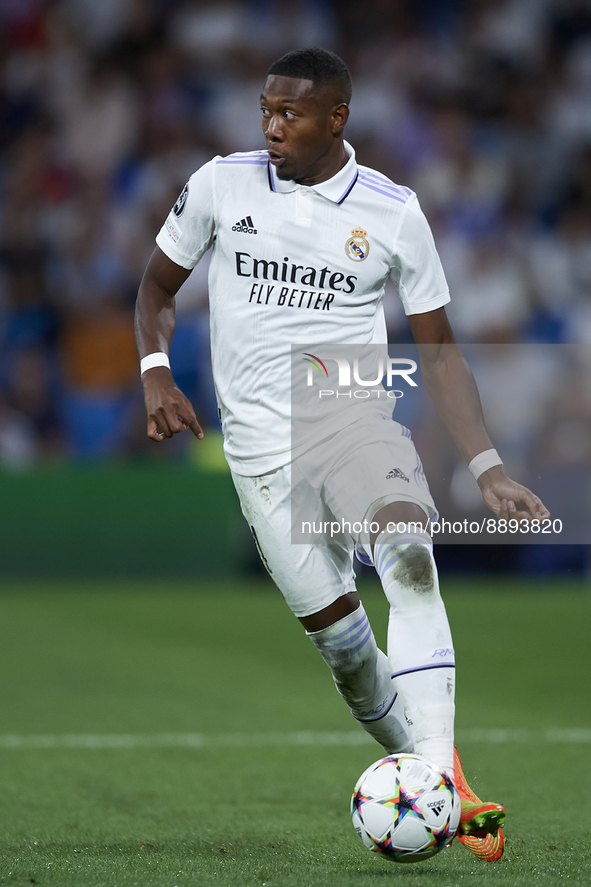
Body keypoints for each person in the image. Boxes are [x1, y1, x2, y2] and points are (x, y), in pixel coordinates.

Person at [135, 47, 549, 863]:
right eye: (264, 110)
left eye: (288, 114)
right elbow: (154, 288)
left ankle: (431, 781)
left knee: (408, 553)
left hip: (352, 415)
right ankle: (446, 782)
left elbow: (438, 351)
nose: (271, 127)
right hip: (257, 448)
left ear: (336, 118)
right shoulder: (221, 184)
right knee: (349, 654)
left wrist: (488, 465)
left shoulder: (393, 211)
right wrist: (154, 373)